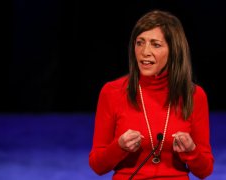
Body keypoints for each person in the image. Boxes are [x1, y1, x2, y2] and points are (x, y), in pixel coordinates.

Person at [89, 9, 214, 179]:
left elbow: (205, 170)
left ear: (174, 51)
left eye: (155, 44)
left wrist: (191, 151)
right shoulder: (112, 92)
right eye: (140, 42)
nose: (144, 51)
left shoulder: (194, 95)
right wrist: (119, 147)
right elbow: (97, 165)